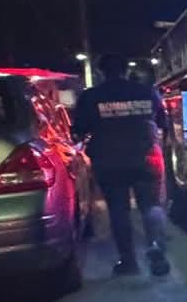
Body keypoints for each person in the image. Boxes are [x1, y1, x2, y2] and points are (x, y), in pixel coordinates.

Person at [73, 54, 171, 277]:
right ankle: (156, 247)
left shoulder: (91, 97)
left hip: (109, 161)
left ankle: (128, 262)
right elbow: (161, 122)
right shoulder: (147, 92)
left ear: (101, 72)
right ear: (126, 70)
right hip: (146, 156)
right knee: (152, 205)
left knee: (119, 211)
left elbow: (79, 129)